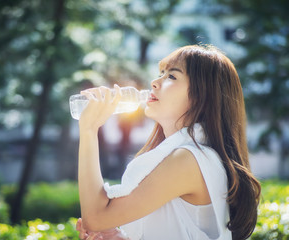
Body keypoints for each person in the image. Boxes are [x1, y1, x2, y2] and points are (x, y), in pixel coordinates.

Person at [75, 45, 261, 240]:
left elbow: (95, 218)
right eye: (161, 73)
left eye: (171, 76)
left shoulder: (189, 159)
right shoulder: (188, 154)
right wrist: (116, 236)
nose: (155, 82)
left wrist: (89, 130)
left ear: (201, 97)